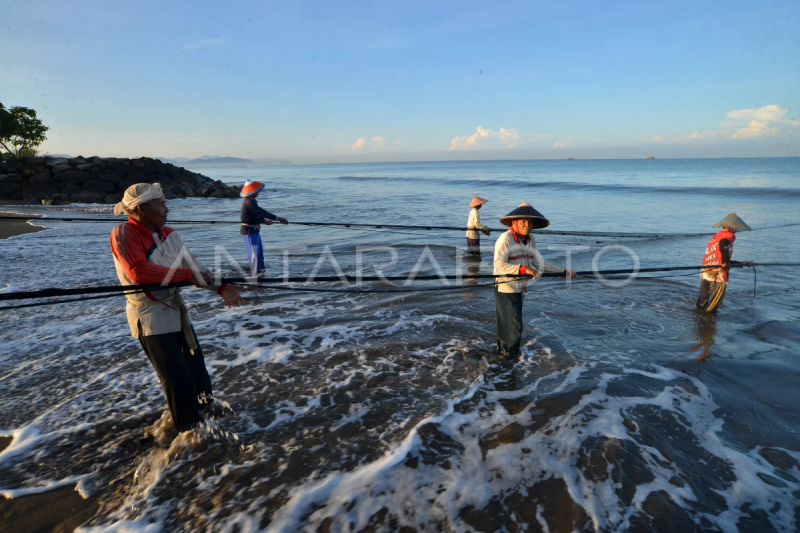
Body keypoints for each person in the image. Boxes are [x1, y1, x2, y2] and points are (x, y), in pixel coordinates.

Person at [111, 183, 244, 433]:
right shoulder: (123, 233)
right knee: (177, 380)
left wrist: (221, 287)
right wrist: (187, 274)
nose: (166, 208)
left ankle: (208, 422)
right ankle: (188, 435)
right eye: (160, 204)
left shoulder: (170, 234)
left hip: (175, 312)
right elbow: (138, 272)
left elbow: (196, 267)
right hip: (149, 316)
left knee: (198, 374)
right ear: (140, 209)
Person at [494, 201, 577, 357]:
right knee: (513, 324)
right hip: (507, 287)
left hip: (521, 287)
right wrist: (521, 269)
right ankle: (509, 358)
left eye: (530, 221)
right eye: (523, 221)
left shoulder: (530, 240)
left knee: (511, 324)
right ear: (514, 222)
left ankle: (505, 354)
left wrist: (562, 272)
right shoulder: (505, 238)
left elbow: (538, 263)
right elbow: (498, 265)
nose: (527, 225)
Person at [697, 213, 753, 313]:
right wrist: (724, 263)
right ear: (730, 227)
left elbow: (722, 255)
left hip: (706, 269)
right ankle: (708, 322)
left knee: (703, 299)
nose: (736, 231)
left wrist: (744, 263)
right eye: (735, 228)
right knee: (714, 302)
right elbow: (723, 245)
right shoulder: (729, 235)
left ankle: (699, 317)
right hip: (718, 272)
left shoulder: (716, 236)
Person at [240, 180, 288, 277]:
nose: (258, 192)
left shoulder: (253, 201)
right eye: (257, 191)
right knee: (254, 256)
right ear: (252, 192)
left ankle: (261, 273)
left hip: (255, 230)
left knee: (260, 254)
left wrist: (265, 221)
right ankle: (255, 277)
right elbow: (262, 212)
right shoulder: (249, 202)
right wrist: (278, 218)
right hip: (248, 231)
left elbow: (258, 215)